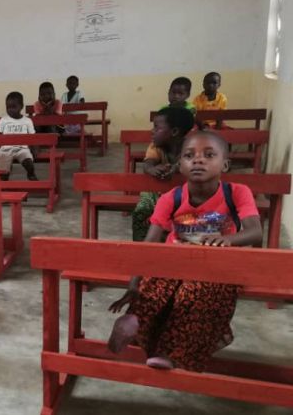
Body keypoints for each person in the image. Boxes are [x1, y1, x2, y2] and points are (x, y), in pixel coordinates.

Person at [108, 131, 262, 372]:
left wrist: (227, 239)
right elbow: (149, 244)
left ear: (225, 163)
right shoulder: (172, 197)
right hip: (176, 260)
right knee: (154, 289)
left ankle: (163, 345)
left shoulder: (237, 192)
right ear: (180, 165)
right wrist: (134, 282)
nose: (198, 160)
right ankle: (138, 323)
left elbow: (255, 232)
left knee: (192, 294)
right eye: (189, 156)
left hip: (217, 264)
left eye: (209, 155)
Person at [132, 107, 196, 241]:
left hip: (184, 194)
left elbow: (190, 165)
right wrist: (151, 169)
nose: (152, 131)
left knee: (188, 218)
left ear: (174, 131)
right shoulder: (155, 146)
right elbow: (148, 162)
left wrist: (176, 169)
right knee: (141, 210)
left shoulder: (191, 147)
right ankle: (140, 247)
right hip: (156, 193)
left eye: (157, 128)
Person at [0, 91, 38, 181]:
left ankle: (31, 174)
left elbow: (32, 137)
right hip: (5, 149)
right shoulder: (3, 120)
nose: (10, 109)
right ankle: (4, 181)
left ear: (21, 106)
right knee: (3, 168)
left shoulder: (27, 121)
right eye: (8, 107)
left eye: (14, 107)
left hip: (22, 149)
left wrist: (34, 149)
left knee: (28, 162)